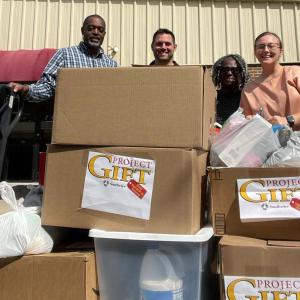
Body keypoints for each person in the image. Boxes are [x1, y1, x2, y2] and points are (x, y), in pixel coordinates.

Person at [9, 14, 117, 101]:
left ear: (104, 34)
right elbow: (48, 86)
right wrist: (26, 89)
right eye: (91, 28)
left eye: (100, 30)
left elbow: (116, 94)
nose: (96, 32)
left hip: (103, 121)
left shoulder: (111, 64)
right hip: (72, 120)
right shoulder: (65, 54)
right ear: (82, 31)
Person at [240, 31, 300, 130]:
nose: (266, 50)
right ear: (255, 52)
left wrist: (288, 120)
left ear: (281, 51)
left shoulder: (295, 73)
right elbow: (246, 125)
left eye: (271, 46)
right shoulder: (248, 90)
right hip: (268, 144)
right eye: (261, 47)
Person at [212, 54, 249, 125]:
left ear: (242, 74)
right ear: (218, 73)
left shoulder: (248, 98)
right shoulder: (210, 98)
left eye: (235, 70)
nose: (229, 73)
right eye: (225, 69)